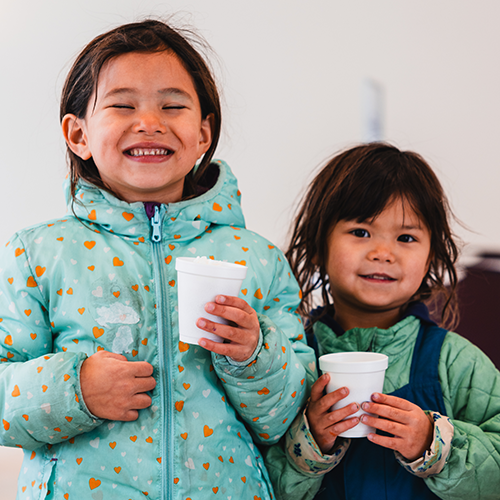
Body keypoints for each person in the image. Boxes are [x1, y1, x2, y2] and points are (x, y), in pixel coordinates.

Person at [0, 19, 315, 500]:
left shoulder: (259, 260)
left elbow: (286, 421)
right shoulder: (36, 254)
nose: (150, 122)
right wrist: (76, 388)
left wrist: (255, 354)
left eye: (173, 105)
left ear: (204, 133)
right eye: (123, 105)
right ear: (77, 133)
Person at [264, 143, 500, 499]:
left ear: (431, 257)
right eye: (361, 232)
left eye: (406, 238)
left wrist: (432, 444)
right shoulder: (287, 357)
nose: (383, 253)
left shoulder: (456, 361)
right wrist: (309, 442)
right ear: (317, 244)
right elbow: (249, 475)